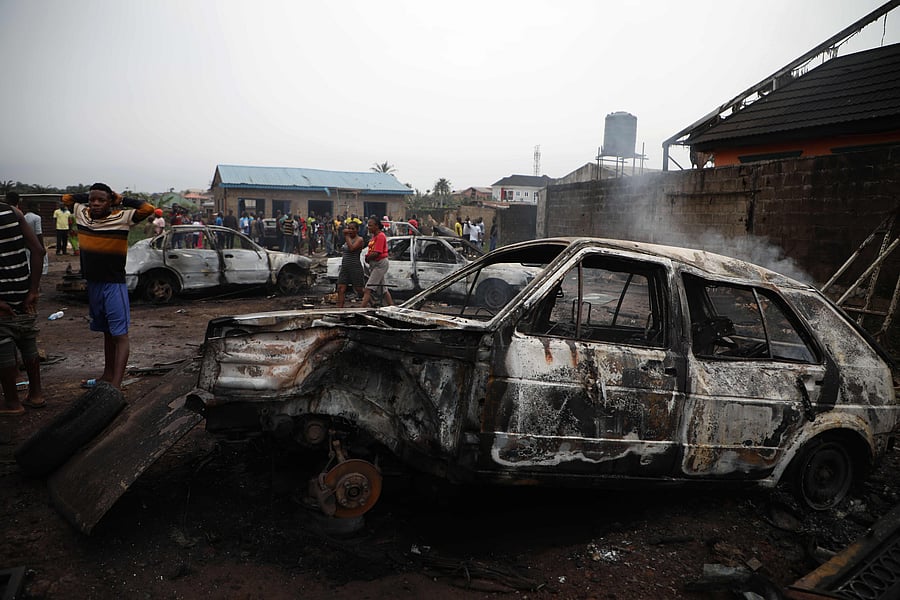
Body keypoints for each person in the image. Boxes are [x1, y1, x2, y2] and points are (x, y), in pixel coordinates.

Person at [61, 183, 155, 389]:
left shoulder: (122, 218)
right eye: (92, 199)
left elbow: (147, 209)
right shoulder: (82, 214)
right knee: (106, 332)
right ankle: (107, 375)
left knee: (120, 335)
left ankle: (116, 385)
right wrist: (90, 195)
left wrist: (120, 199)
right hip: (93, 283)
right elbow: (67, 198)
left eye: (100, 200)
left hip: (114, 285)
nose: (95, 203)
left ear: (109, 202)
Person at [0, 199, 46, 415]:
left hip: (2, 298)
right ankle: (36, 395)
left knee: (3, 346)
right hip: (23, 292)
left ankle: (12, 402)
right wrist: (33, 290)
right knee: (28, 341)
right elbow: (38, 250)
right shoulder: (13, 213)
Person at [7, 193, 49, 275]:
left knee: (29, 264)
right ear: (33, 207)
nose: (39, 209)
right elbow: (38, 233)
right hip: (35, 243)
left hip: (26, 244)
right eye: (37, 207)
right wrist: (42, 247)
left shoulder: (24, 217)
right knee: (39, 265)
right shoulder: (37, 218)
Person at [360, 217, 393, 308]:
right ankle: (392, 306)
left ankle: (360, 309)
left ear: (377, 226)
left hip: (379, 264)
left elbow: (377, 252)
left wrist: (367, 258)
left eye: (370, 225)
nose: (368, 227)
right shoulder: (374, 236)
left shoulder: (380, 236)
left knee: (368, 288)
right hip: (375, 264)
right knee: (383, 290)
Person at [336, 220, 365, 308]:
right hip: (345, 266)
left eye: (352, 229)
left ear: (357, 230)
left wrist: (346, 236)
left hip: (355, 267)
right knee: (341, 288)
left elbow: (351, 248)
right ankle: (340, 308)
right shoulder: (347, 239)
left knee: (358, 289)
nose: (350, 231)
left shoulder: (359, 239)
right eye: (349, 228)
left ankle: (370, 300)